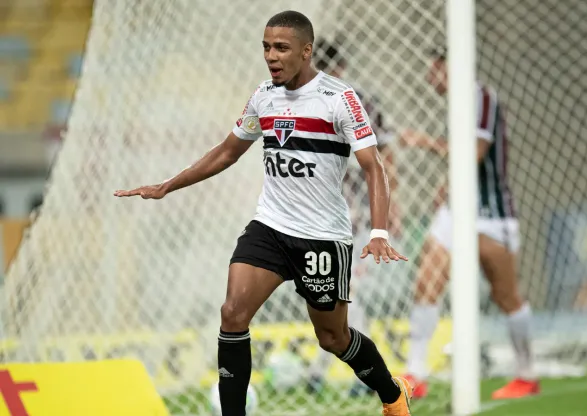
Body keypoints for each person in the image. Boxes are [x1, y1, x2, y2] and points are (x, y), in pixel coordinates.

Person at [115, 11, 413, 416]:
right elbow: (226, 152)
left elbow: (373, 166)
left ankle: (392, 395)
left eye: (282, 48)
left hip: (322, 236)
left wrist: (379, 231)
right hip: (270, 226)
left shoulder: (339, 99)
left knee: (332, 337)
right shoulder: (263, 96)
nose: (271, 56)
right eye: (267, 47)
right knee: (232, 313)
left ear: (306, 51)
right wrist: (168, 185)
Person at [399, 50, 539, 400]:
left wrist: (424, 142)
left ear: (452, 69)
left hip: (491, 213)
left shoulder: (483, 97)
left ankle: (526, 373)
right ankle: (416, 372)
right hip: (457, 209)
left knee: (505, 294)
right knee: (427, 277)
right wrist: (447, 187)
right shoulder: (459, 104)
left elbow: (474, 153)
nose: (432, 80)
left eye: (436, 71)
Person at [305, 37, 401, 397]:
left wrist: (389, 215)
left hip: (357, 219)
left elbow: (385, 160)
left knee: (349, 293)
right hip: (321, 219)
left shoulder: (361, 104)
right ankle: (321, 369)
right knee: (328, 294)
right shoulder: (300, 103)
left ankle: (354, 376)